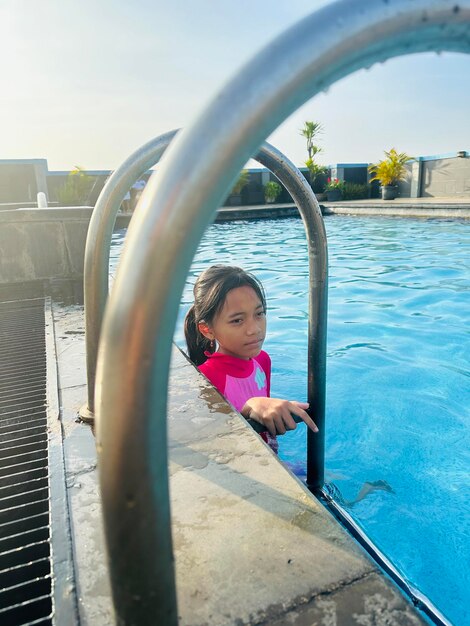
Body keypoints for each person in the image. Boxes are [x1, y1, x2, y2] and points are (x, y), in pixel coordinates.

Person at [184, 265, 318, 452]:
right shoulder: (205, 380)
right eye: (237, 320)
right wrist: (246, 409)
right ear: (208, 330)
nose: (254, 329)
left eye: (259, 314)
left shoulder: (262, 361)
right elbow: (209, 442)